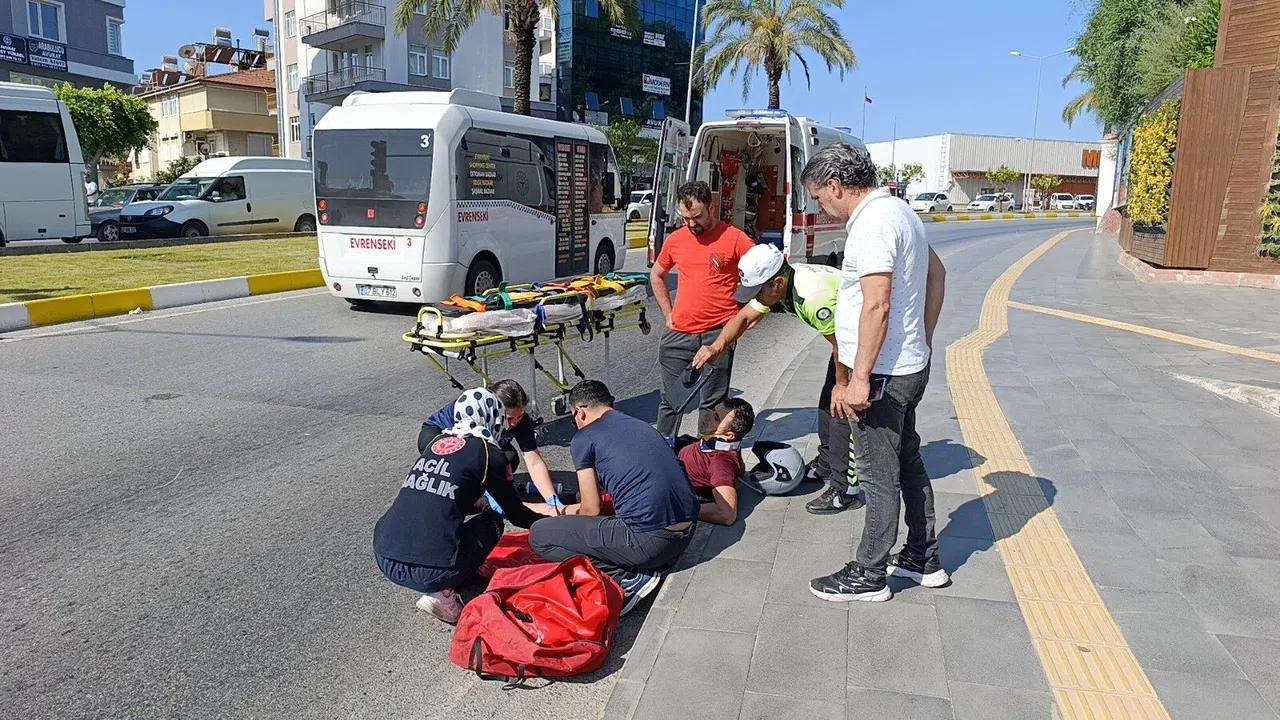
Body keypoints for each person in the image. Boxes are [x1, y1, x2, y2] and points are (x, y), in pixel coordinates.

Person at [799, 143, 949, 603]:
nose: (821, 209)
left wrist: (858, 378)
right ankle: (923, 558)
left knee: (878, 476)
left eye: (820, 199)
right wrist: (920, 338)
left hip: (883, 376)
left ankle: (870, 572)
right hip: (907, 365)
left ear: (835, 185)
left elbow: (877, 303)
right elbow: (937, 274)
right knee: (908, 462)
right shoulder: (902, 212)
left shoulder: (871, 223)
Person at [692, 243, 866, 515]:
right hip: (847, 341)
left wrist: (843, 386)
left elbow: (843, 345)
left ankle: (846, 490)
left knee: (841, 410)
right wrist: (717, 347)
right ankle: (827, 464)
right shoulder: (779, 287)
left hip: (865, 342)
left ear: (777, 282)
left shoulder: (812, 297)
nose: (756, 298)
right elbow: (744, 318)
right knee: (826, 402)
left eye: (759, 290)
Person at [375, 388, 548, 624]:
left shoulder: (436, 443)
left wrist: (479, 503)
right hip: (429, 573)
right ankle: (444, 593)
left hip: (384, 557)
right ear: (494, 417)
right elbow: (515, 514)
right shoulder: (490, 455)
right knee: (493, 521)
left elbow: (444, 493)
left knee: (446, 506)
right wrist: (551, 527)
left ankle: (442, 577)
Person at [529, 380, 699, 614]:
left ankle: (626, 578)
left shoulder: (584, 438)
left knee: (540, 535)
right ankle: (639, 566)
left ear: (578, 412)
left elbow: (591, 510)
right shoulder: (641, 426)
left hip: (650, 543)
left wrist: (556, 513)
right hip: (687, 534)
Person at [649, 181, 756, 442]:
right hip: (678, 335)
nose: (691, 224)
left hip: (716, 336)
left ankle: (705, 460)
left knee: (712, 405)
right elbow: (657, 275)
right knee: (671, 402)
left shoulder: (734, 238)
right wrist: (668, 314)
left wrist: (747, 315)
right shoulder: (676, 239)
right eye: (685, 218)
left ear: (711, 207)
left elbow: (761, 274)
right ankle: (662, 457)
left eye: (696, 217)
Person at [419, 379, 562, 511]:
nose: (514, 423)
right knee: (464, 469)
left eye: (519, 417)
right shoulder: (477, 412)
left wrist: (552, 499)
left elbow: (534, 462)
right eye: (510, 418)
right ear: (495, 411)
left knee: (509, 458)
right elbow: (472, 459)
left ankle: (484, 492)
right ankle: (473, 495)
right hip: (440, 434)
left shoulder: (520, 420)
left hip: (484, 441)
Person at [676, 397, 755, 526]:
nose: (707, 416)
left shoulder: (720, 463)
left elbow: (727, 514)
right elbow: (740, 470)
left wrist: (681, 511)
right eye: (713, 411)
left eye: (716, 418)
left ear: (729, 436)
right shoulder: (729, 445)